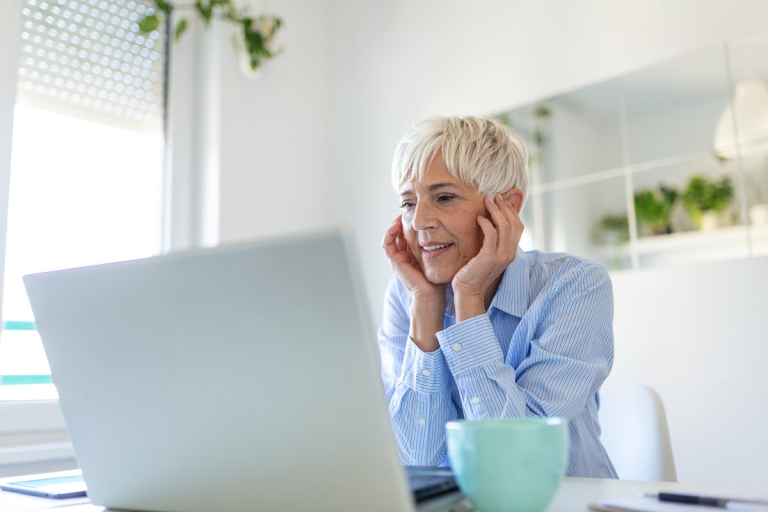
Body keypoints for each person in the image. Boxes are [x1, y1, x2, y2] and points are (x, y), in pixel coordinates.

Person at [378, 116, 618, 478]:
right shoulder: (408, 294)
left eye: (443, 197)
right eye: (409, 203)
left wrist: (468, 297)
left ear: (508, 206)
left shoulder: (576, 285)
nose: (419, 221)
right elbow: (416, 460)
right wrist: (426, 308)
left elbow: (517, 460)